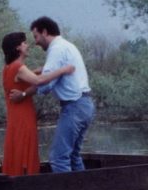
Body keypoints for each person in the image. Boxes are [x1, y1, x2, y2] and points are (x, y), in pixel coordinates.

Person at [9, 17, 94, 173]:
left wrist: (23, 94)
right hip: (85, 105)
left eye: (36, 36)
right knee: (73, 156)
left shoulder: (56, 49)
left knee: (58, 158)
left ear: (45, 32)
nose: (35, 42)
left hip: (74, 106)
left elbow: (46, 84)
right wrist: (34, 72)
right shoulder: (66, 45)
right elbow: (48, 72)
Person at [0, 32, 75, 176]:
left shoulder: (8, 68)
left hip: (15, 117)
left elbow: (21, 79)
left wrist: (38, 70)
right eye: (24, 43)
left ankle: (17, 178)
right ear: (18, 48)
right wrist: (63, 70)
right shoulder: (18, 67)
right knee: (26, 147)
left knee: (18, 149)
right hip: (23, 117)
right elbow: (39, 81)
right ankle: (27, 180)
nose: (27, 46)